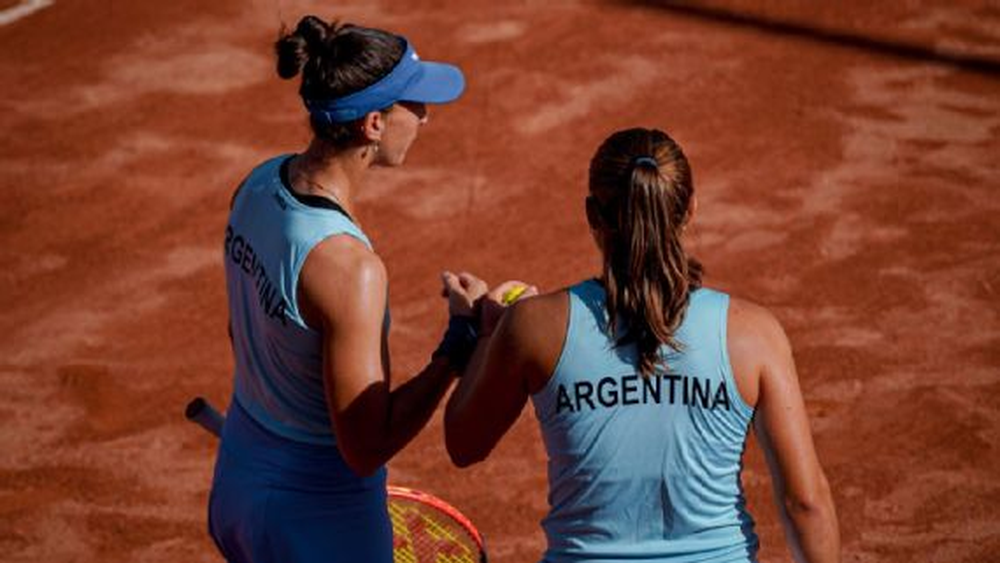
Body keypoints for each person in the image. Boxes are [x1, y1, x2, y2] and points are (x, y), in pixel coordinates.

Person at [444, 128, 841, 562]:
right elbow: (806, 504)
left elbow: (464, 444)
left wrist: (486, 334)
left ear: (592, 215)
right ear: (690, 209)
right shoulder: (753, 334)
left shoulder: (533, 325)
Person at [209, 15, 483, 563]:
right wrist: (459, 346)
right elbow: (365, 447)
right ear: (374, 124)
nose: (425, 117)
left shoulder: (256, 185)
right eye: (414, 104)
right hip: (320, 519)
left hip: (238, 482)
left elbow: (246, 336)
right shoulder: (350, 269)